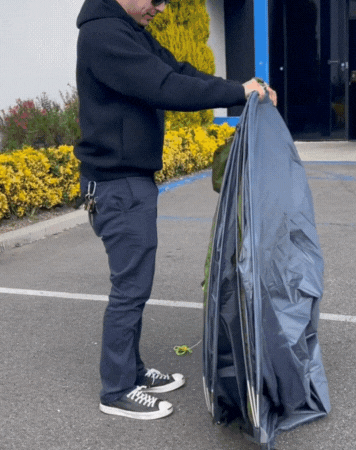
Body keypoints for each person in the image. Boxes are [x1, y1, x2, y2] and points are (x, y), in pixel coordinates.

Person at [75, 0, 277, 420]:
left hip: (129, 181)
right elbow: (165, 87)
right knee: (130, 289)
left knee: (135, 285)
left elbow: (179, 71)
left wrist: (242, 87)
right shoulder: (103, 35)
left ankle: (132, 370)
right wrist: (239, 93)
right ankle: (117, 389)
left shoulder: (127, 32)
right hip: (117, 184)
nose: (162, 8)